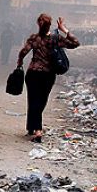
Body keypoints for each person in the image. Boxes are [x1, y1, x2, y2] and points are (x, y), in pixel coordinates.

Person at [17, 14, 79, 143]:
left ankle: (34, 129)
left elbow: (24, 51)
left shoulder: (34, 38)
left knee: (33, 100)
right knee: (41, 101)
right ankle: (34, 128)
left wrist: (20, 62)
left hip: (33, 73)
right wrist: (64, 29)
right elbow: (75, 43)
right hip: (48, 75)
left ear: (38, 24)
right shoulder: (55, 39)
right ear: (50, 25)